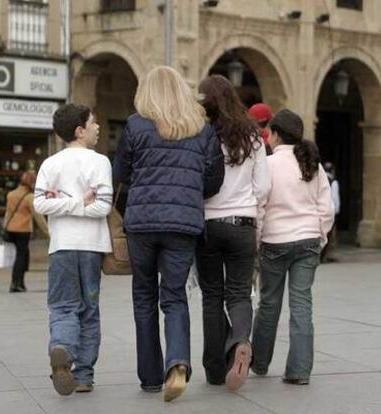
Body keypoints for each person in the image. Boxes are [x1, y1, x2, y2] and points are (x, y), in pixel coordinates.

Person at [113, 66, 224, 402]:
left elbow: (121, 173)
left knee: (143, 297)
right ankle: (177, 363)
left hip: (142, 224)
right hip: (182, 224)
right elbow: (214, 180)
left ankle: (149, 376)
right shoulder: (201, 129)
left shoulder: (135, 125)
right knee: (174, 296)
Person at [196, 75, 270, 391]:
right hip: (243, 223)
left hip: (209, 224)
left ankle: (215, 368)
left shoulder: (202, 136)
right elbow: (264, 186)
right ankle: (240, 339)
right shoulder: (252, 135)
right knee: (239, 292)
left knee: (212, 296)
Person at [33, 104, 113, 396]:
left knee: (63, 306)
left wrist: (65, 201)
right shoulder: (100, 162)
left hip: (62, 248)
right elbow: (103, 205)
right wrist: (81, 202)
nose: (98, 127)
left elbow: (40, 203)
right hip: (91, 250)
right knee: (89, 310)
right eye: (93, 123)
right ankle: (83, 376)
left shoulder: (49, 165)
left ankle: (62, 347)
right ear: (79, 130)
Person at [252, 109, 334, 385]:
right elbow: (327, 208)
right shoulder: (313, 164)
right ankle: (299, 371)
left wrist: (258, 239)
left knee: (269, 304)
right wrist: (320, 237)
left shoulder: (269, 164)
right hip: (308, 241)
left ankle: (260, 362)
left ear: (274, 134)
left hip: (275, 241)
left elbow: (260, 205)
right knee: (302, 305)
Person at [4, 170, 49, 293]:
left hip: (10, 229)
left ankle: (20, 283)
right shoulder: (30, 198)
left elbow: (7, 213)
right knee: (20, 256)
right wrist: (48, 232)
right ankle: (16, 283)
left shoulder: (11, 194)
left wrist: (4, 227)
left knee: (23, 255)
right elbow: (38, 217)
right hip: (23, 230)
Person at [321, 162, 340, 262]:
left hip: (320, 210)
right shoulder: (333, 182)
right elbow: (335, 198)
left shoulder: (321, 179)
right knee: (330, 234)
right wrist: (336, 211)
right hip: (330, 211)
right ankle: (325, 255)